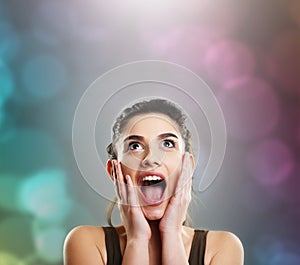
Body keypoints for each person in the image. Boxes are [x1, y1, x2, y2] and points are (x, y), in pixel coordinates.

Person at [63, 98, 244, 265]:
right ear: (113, 170)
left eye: (167, 143)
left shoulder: (223, 247)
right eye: (135, 146)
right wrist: (137, 239)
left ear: (187, 166)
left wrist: (172, 234)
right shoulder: (85, 242)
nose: (151, 158)